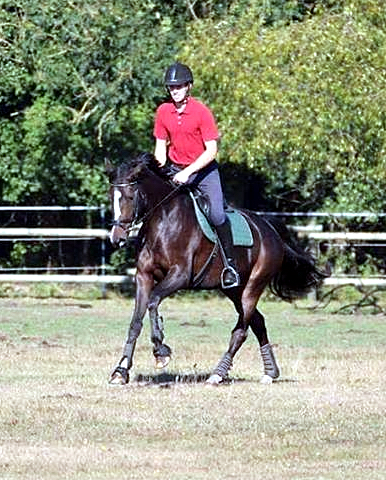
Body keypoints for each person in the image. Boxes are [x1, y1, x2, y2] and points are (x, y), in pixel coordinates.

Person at [153, 62, 240, 288]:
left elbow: (211, 151)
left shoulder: (202, 112)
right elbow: (160, 149)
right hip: (174, 169)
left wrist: (188, 172)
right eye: (171, 88)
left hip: (203, 171)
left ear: (188, 87)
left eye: (179, 87)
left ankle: (230, 267)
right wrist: (156, 170)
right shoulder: (163, 112)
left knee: (217, 215)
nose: (175, 91)